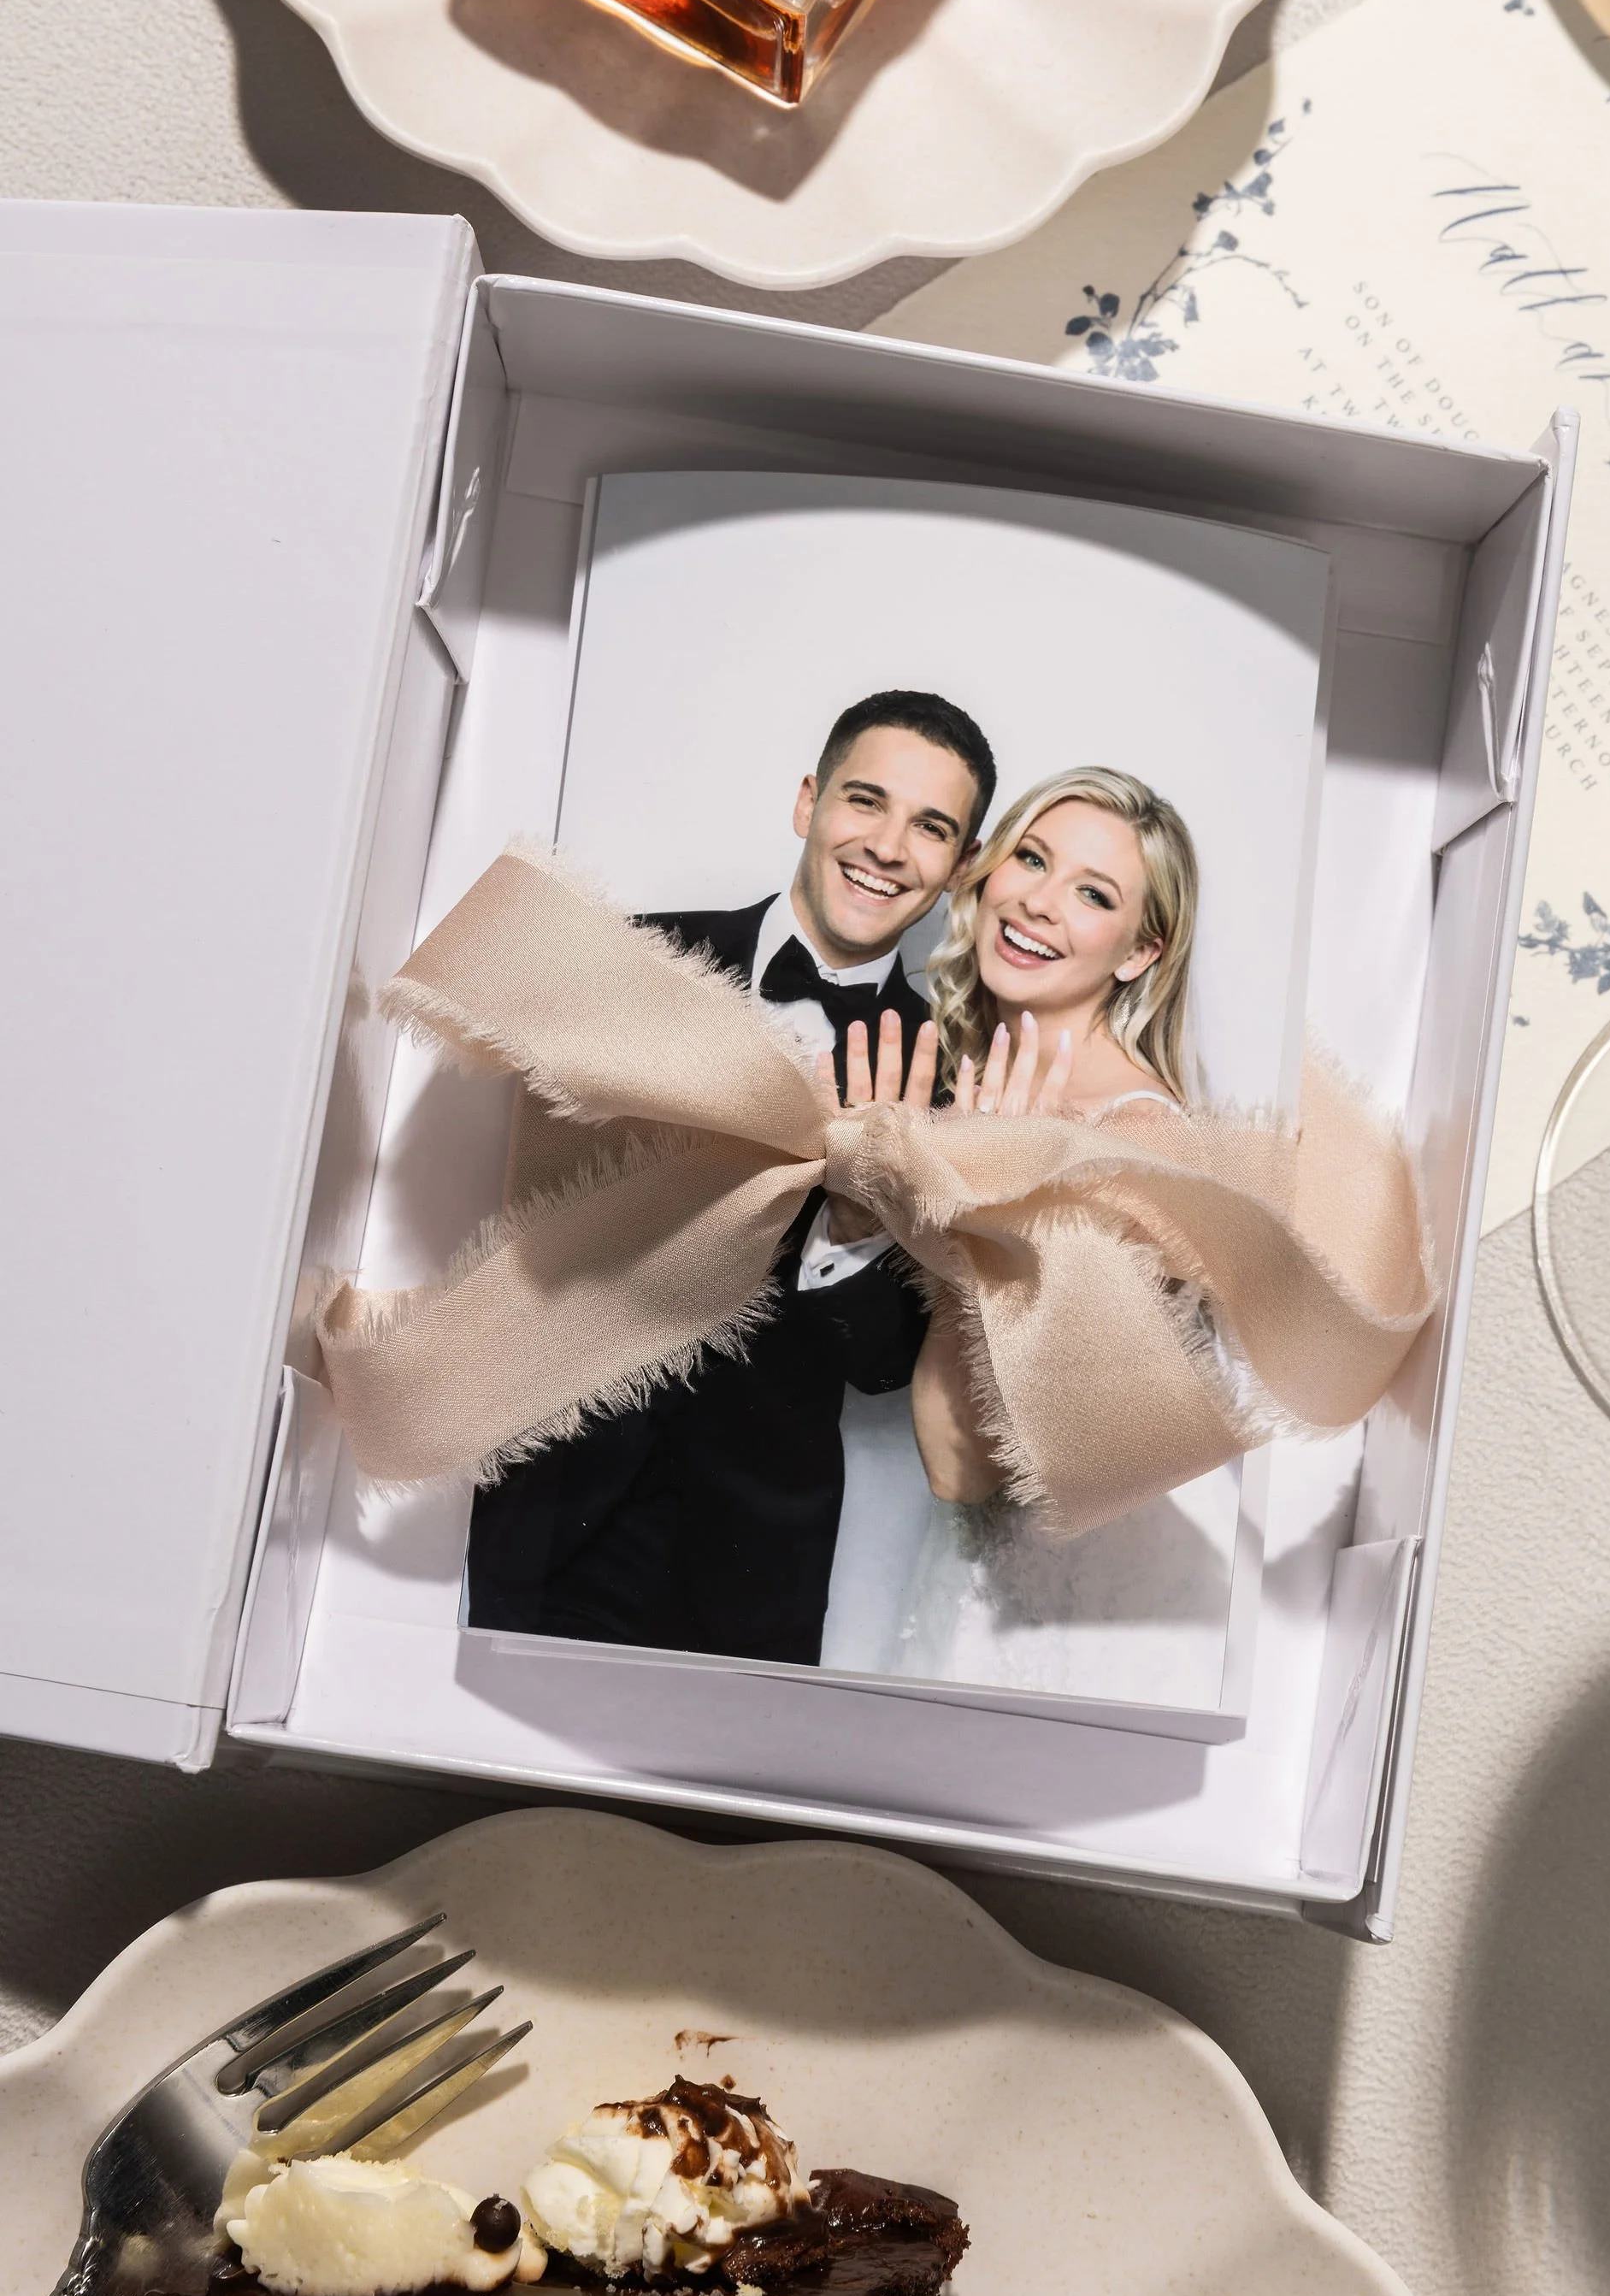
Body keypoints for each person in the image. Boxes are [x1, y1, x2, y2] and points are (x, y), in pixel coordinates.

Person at [463, 690, 997, 1668]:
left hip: (753, 1552)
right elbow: (522, 1193)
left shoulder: (946, 1077)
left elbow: (882, 1364)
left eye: (930, 827)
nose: (886, 844)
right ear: (808, 802)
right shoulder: (634, 958)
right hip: (552, 1487)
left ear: (960, 868)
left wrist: (854, 1217)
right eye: (864, 800)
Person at [851, 766, 1224, 1698]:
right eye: (1031, 858)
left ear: (1139, 952)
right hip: (963, 1588)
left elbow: (961, 1463)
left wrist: (966, 1227)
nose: (1038, 903)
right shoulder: (962, 1082)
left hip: (1071, 1635)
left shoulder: (1139, 1138)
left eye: (1091, 893)